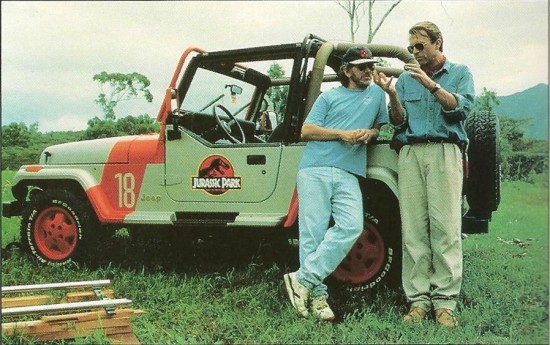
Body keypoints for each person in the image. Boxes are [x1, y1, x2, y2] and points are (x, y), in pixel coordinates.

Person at [373, 21, 475, 328]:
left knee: (445, 228)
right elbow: (398, 121)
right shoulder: (404, 79)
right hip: (410, 153)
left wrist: (430, 84)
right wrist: (391, 94)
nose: (415, 52)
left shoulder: (460, 73)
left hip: (445, 151)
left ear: (438, 42)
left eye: (420, 46)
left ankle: (445, 302)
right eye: (411, 47)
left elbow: (461, 109)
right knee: (414, 229)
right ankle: (417, 300)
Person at [283, 46, 388, 321]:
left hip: (348, 171)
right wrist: (341, 134)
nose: (368, 70)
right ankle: (317, 297)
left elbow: (381, 126)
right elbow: (307, 130)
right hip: (315, 168)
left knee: (352, 225)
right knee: (312, 235)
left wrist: (372, 132)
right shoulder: (329, 97)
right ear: (347, 70)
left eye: (371, 65)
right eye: (362, 66)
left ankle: (302, 279)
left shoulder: (377, 94)